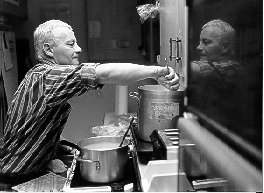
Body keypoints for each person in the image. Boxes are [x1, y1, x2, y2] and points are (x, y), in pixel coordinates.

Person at [0, 20, 179, 186]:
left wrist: (56, 150)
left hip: (27, 172)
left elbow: (37, 126)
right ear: (48, 50)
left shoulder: (45, 77)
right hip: (14, 179)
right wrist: (158, 71)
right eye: (70, 44)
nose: (78, 49)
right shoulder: (47, 77)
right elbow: (104, 73)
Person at [188, 19, 246, 131]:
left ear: (225, 48)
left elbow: (189, 69)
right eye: (200, 42)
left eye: (206, 42)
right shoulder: (217, 65)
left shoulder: (230, 71)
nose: (198, 47)